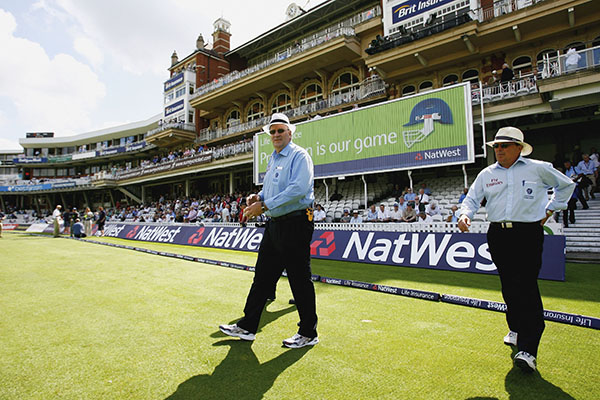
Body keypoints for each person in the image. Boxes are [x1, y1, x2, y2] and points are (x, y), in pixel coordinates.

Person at [458, 127, 575, 372]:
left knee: (527, 286)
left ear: (519, 148)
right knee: (509, 285)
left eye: (504, 145)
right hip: (498, 233)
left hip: (527, 233)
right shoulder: (487, 173)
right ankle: (516, 328)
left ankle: (529, 349)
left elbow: (566, 185)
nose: (498, 150)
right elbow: (471, 199)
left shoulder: (538, 168)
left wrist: (551, 208)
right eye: (496, 146)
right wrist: (465, 214)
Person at [219, 113, 319, 349]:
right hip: (275, 224)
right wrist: (258, 197)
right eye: (272, 131)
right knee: (262, 277)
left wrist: (263, 205)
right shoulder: (274, 158)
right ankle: (247, 326)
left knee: (299, 280)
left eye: (280, 131)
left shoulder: (299, 155)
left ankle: (308, 332)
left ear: (289, 133)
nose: (275, 135)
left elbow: (297, 189)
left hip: (296, 223)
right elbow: (269, 190)